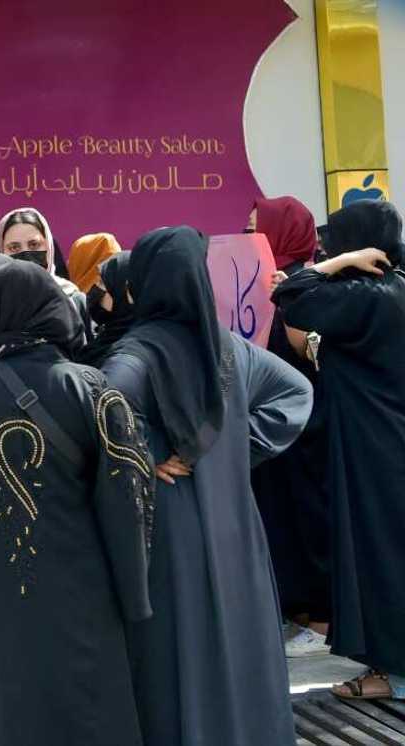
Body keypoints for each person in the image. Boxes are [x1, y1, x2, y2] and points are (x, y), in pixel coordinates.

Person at [0, 256, 153, 745]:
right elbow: (127, 496)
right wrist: (132, 587)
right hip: (82, 587)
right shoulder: (91, 388)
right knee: (86, 705)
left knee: (5, 707)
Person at [102, 226, 312, 746]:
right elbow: (297, 390)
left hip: (168, 531)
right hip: (235, 525)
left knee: (180, 652)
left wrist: (145, 457)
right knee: (240, 649)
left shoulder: (134, 355)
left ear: (142, 284)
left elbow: (100, 414)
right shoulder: (228, 348)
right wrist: (237, 448)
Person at [272, 199, 405, 702]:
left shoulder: (369, 293)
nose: (327, 251)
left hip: (378, 450)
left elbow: (292, 294)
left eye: (335, 244)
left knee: (384, 557)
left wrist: (332, 266)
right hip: (386, 443)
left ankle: (392, 676)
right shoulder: (394, 289)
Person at [246, 196, 332, 657]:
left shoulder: (307, 285)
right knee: (283, 520)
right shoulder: (255, 281)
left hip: (309, 428)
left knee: (311, 518)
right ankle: (301, 614)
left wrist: (288, 296)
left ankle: (321, 620)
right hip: (274, 428)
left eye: (258, 229)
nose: (249, 238)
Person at [0, 208, 91, 340]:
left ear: (48, 247)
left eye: (34, 245)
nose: (26, 254)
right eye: (14, 248)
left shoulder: (73, 298)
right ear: (0, 252)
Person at [76, 252, 134, 368]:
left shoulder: (122, 356)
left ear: (121, 291)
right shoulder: (106, 336)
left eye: (102, 282)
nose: (96, 288)